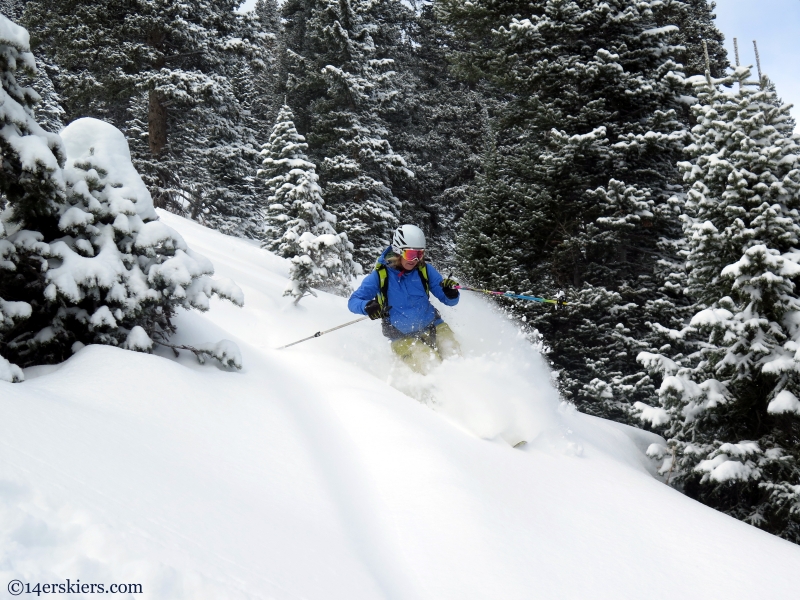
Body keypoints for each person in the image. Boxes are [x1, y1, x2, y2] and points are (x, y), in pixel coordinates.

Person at [348, 224, 461, 374]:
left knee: (456, 357)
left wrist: (451, 293)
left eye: (419, 254)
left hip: (433, 326)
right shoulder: (381, 276)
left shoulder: (424, 270)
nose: (415, 260)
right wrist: (367, 306)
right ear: (397, 251)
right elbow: (353, 301)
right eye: (410, 254)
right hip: (401, 337)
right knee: (431, 365)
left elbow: (450, 301)